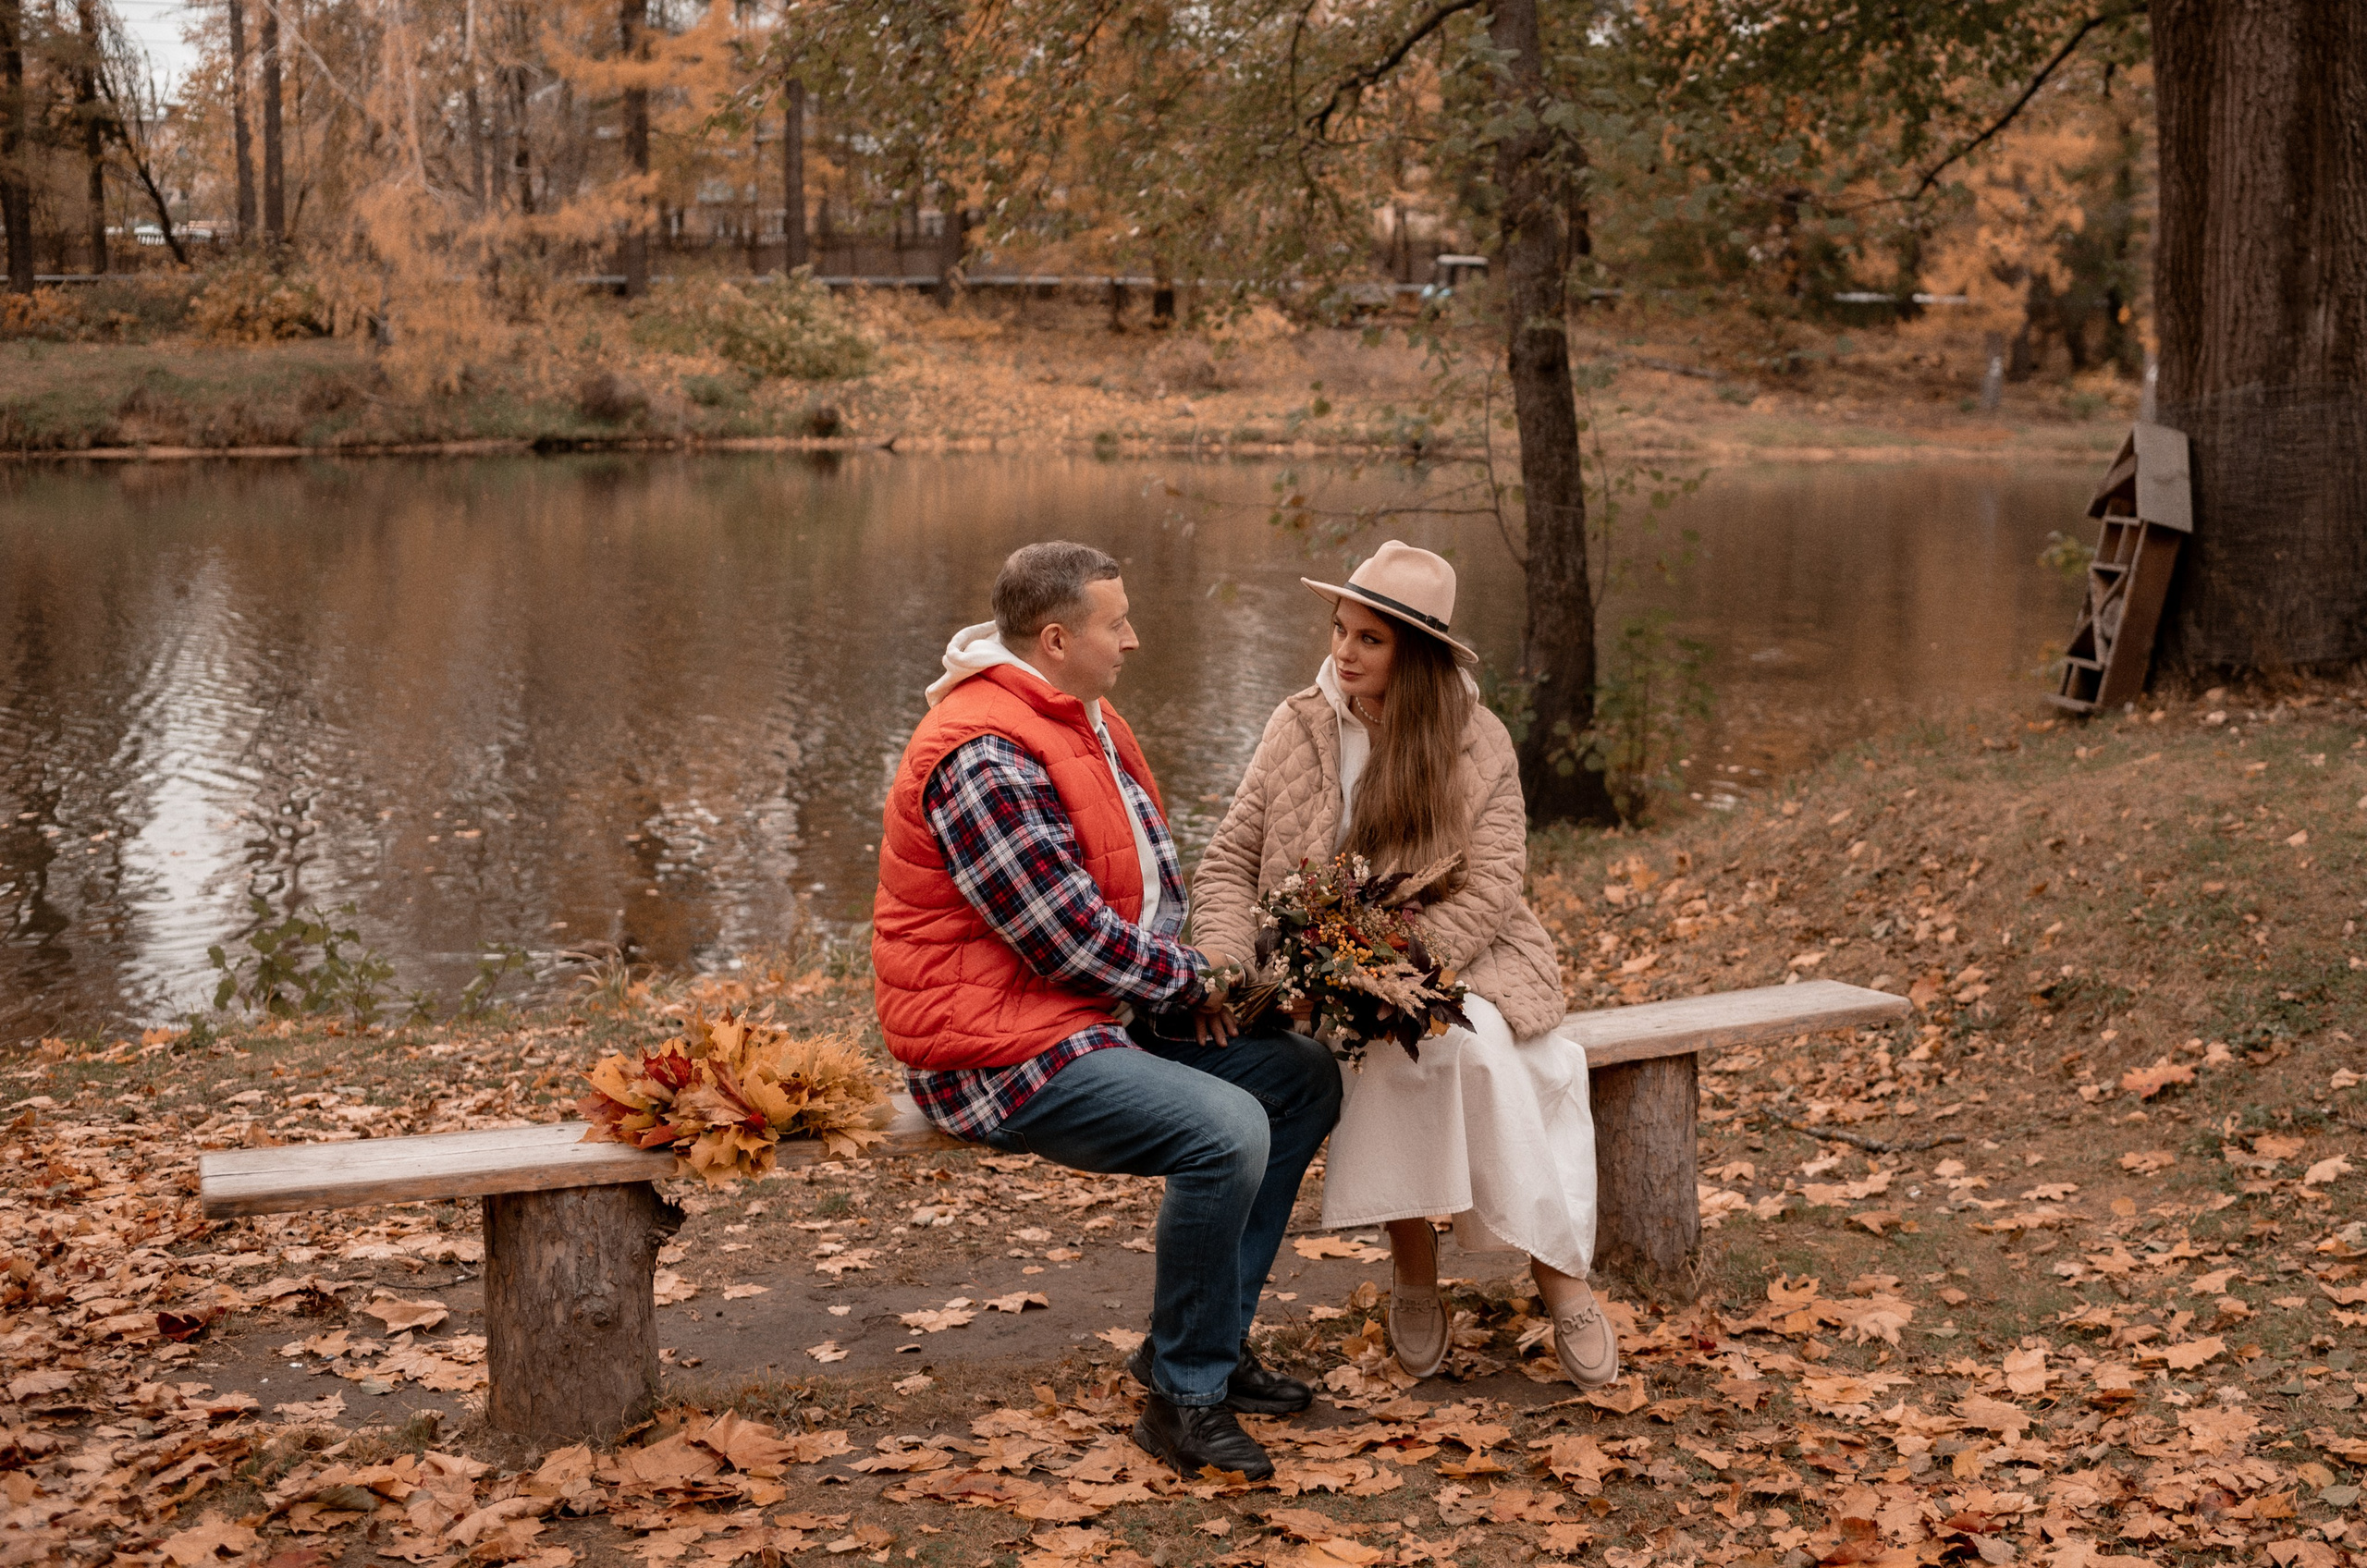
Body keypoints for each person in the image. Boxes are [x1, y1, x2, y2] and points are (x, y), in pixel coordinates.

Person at [872, 540, 1343, 1481]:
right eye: (1115, 624)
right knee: (1226, 1129)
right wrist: (1192, 983)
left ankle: (1202, 1345)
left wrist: (1187, 999)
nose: (1133, 640)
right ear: (1055, 639)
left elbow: (1143, 893)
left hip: (1091, 1016)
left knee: (1298, 1078)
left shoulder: (1080, 714)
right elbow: (1066, 939)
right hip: (993, 1051)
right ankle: (1184, 1400)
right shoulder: (982, 754)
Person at [1192, 539, 1619, 1389]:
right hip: (1316, 977)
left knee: (1473, 1049)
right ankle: (1414, 1259)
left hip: (1464, 957)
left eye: (1369, 639)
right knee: (1381, 1053)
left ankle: (1557, 1273)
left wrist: (1394, 971)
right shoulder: (1297, 723)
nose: (1343, 653)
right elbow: (1229, 862)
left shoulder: (1476, 740)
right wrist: (1226, 960)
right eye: (1339, 630)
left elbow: (1492, 886)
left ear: (1415, 654)